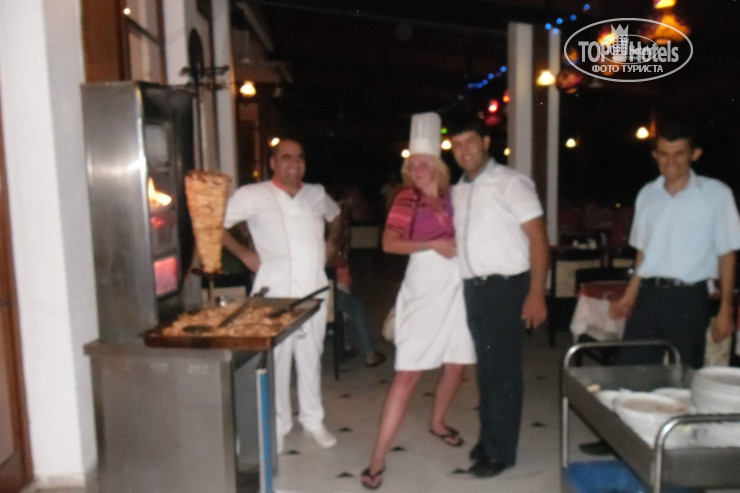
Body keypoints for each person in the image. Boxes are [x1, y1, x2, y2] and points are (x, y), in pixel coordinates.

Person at [361, 112, 476, 490]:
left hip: (457, 286)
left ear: (438, 165)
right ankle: (377, 459)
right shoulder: (406, 197)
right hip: (424, 288)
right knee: (408, 373)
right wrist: (432, 244)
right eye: (413, 163)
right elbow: (388, 243)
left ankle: (438, 421)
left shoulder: (453, 195)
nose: (418, 168)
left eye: (424, 162)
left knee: (457, 364)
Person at [221, 138, 341, 455]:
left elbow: (336, 215)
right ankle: (278, 425)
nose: (294, 163)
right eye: (286, 157)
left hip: (313, 289)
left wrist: (331, 243)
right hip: (274, 293)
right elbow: (213, 224)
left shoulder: (316, 193)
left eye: (299, 157)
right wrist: (245, 254)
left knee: (311, 358)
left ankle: (313, 421)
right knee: (277, 361)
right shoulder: (253, 195)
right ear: (273, 163)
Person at [447, 116, 549, 478]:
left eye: (471, 142)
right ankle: (490, 438)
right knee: (487, 371)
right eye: (457, 145)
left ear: (487, 142)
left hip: (506, 289)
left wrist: (536, 293)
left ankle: (500, 452)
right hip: (475, 291)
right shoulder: (457, 190)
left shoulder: (511, 183)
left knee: (502, 373)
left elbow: (538, 238)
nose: (464, 151)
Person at [610, 120, 740, 368]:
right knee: (632, 370)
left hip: (689, 299)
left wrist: (726, 310)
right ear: (655, 156)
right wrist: (628, 296)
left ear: (694, 154)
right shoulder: (647, 194)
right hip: (649, 296)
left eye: (679, 154)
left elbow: (727, 256)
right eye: (664, 154)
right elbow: (644, 253)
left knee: (683, 373)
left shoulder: (716, 194)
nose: (671, 161)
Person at [331, 252, 386, 367]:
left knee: (346, 307)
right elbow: (343, 275)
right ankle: (369, 354)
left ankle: (346, 345)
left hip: (320, 292)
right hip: (328, 293)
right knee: (356, 307)